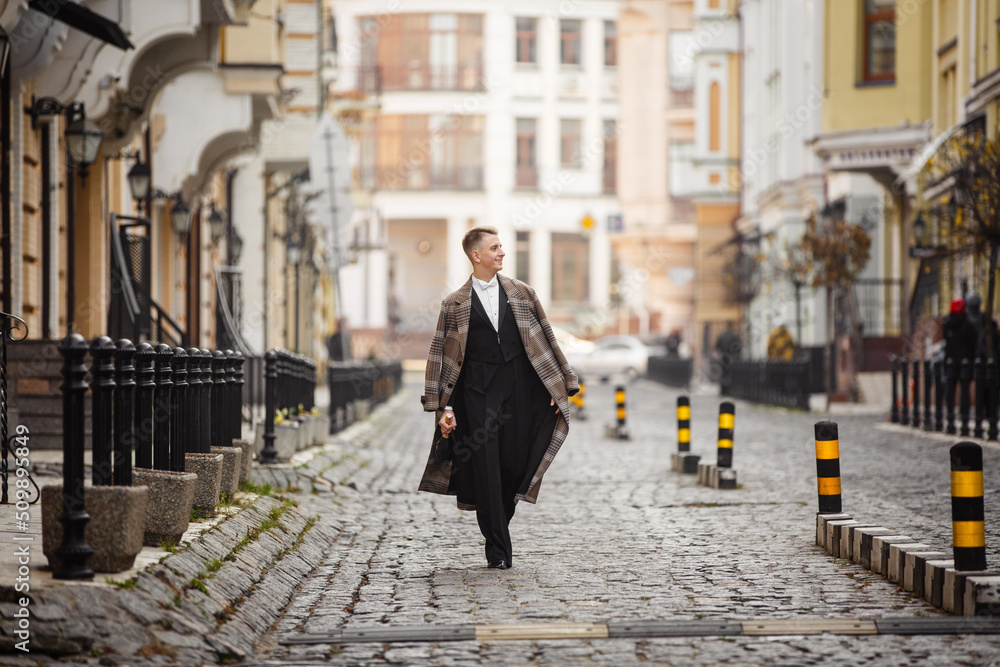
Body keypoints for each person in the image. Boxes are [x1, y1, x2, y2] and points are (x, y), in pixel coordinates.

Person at [419, 226, 579, 569]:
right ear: (476, 256)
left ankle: (497, 524)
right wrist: (444, 407)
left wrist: (560, 383)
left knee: (514, 464)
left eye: (501, 247)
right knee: (486, 469)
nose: (502, 252)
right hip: (477, 397)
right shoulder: (454, 304)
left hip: (522, 391)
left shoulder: (524, 294)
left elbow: (548, 341)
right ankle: (498, 550)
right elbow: (441, 357)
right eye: (495, 248)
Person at [942, 298, 978, 366]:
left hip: (951, 360)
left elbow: (946, 338)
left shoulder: (947, 323)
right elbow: (974, 341)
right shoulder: (968, 324)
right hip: (966, 361)